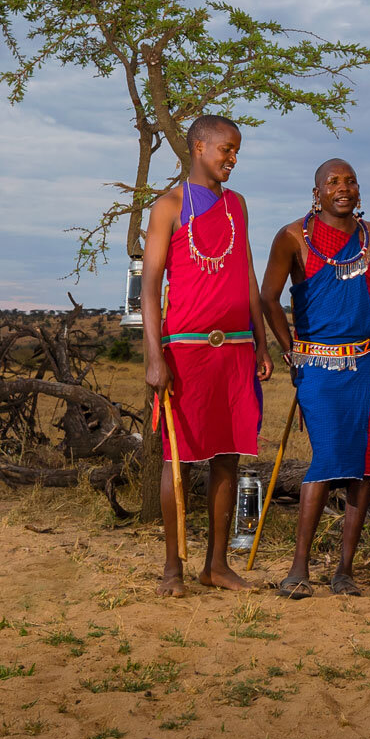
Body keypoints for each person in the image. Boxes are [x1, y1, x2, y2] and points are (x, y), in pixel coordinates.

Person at [140, 114, 272, 597]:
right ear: (199, 146)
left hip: (236, 348)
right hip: (187, 351)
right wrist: (155, 356)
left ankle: (216, 565)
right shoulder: (169, 206)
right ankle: (172, 568)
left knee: (228, 458)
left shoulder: (237, 204)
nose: (233, 160)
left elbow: (248, 276)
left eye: (237, 151)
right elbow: (150, 288)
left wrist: (260, 340)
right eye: (226, 150)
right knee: (178, 459)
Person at [259, 159, 370, 599]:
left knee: (365, 469)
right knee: (326, 460)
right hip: (318, 364)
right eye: (332, 181)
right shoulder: (293, 237)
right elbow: (268, 298)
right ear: (316, 192)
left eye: (350, 180)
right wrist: (289, 349)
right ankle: (299, 568)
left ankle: (345, 571)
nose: (343, 187)